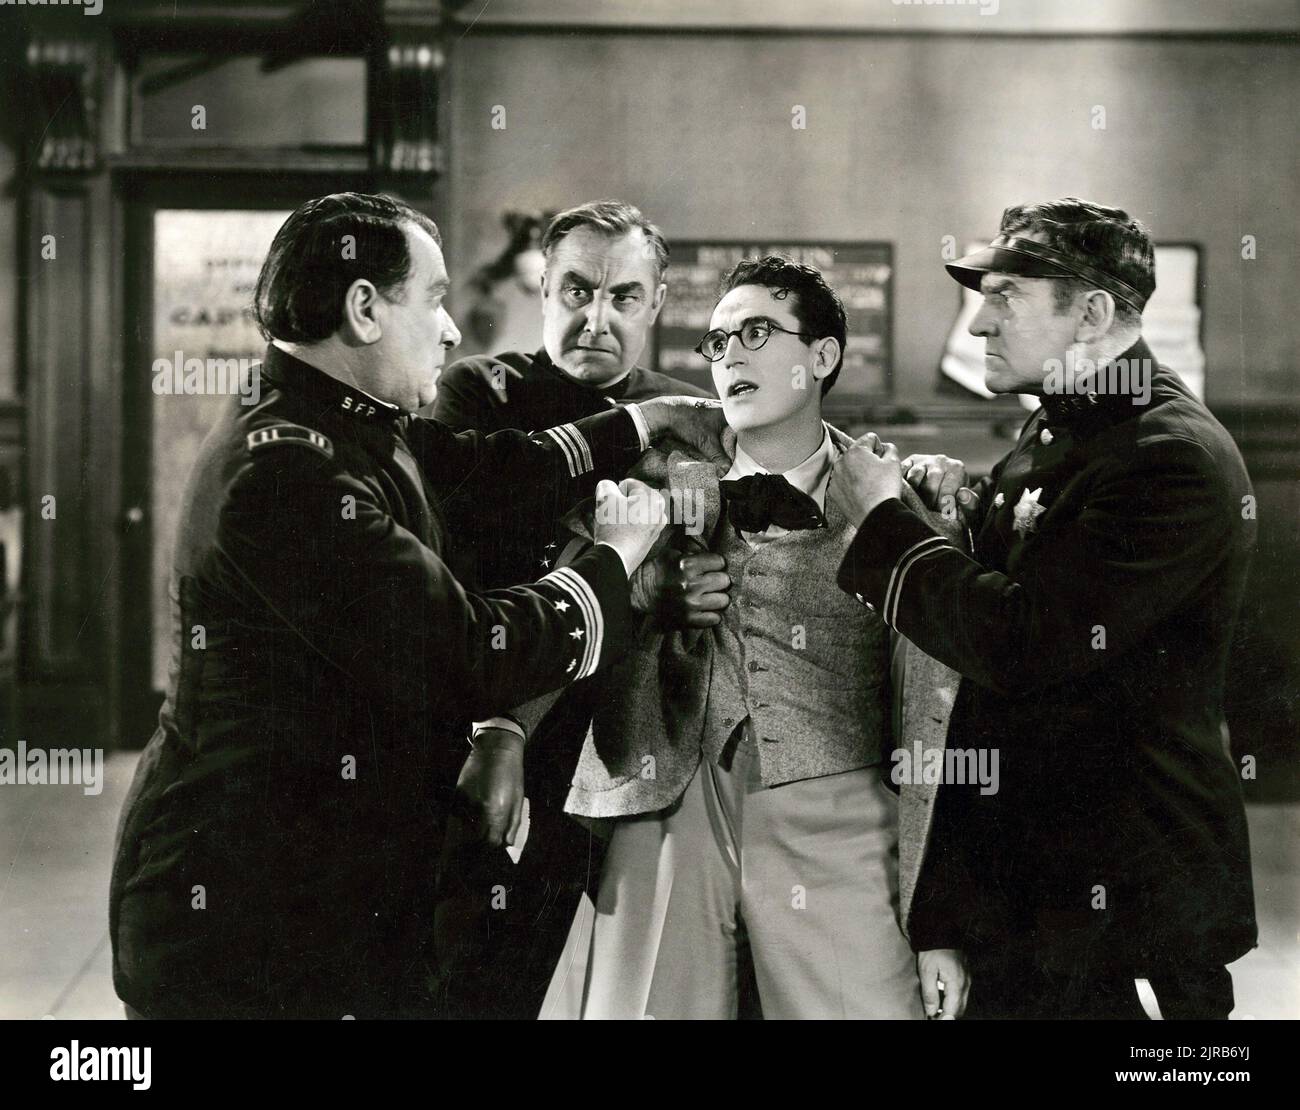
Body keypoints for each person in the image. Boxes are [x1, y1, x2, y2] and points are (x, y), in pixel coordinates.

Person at [108, 191, 723, 1019]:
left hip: (312, 883)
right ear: (365, 309)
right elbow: (475, 653)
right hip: (240, 907)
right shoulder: (290, 473)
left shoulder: (333, 417)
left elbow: (491, 466)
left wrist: (644, 421)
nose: (451, 328)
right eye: (432, 301)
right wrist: (619, 557)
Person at [828, 197, 1258, 1020]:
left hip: (1133, 899)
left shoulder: (1168, 456)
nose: (981, 325)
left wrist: (883, 525)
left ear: (1092, 312)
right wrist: (963, 509)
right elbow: (1046, 558)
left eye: (1005, 297)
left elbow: (1029, 642)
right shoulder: (1068, 427)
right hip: (1040, 884)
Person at [543, 256, 958, 1020]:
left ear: (823, 357)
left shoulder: (894, 502)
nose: (729, 353)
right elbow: (550, 588)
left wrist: (942, 925)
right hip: (669, 795)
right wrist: (644, 594)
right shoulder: (655, 478)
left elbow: (935, 708)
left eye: (757, 332)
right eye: (718, 340)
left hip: (835, 810)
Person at [428, 200, 726, 1019]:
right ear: (543, 288)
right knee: (477, 981)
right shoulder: (475, 394)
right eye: (576, 290)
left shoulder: (696, 418)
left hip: (634, 746)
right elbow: (469, 553)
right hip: (497, 730)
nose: (597, 317)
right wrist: (638, 585)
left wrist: (692, 590)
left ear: (657, 303)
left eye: (624, 296)